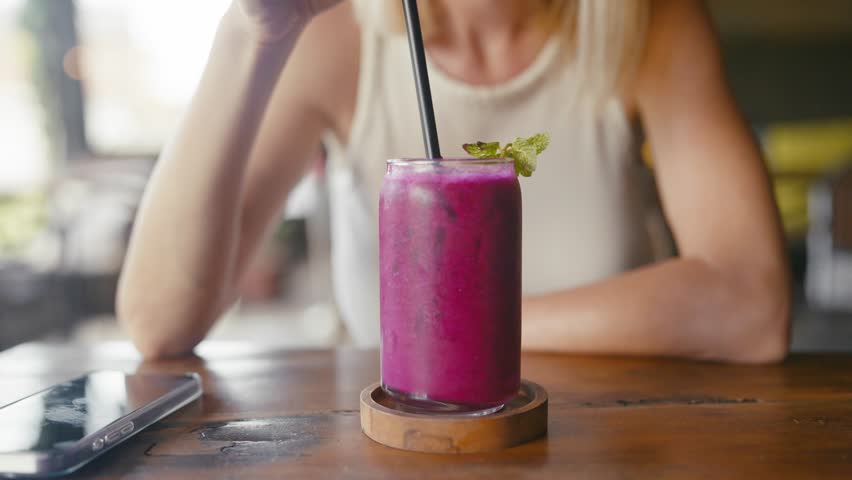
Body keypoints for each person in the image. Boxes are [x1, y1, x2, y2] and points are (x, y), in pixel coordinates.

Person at [117, 0, 790, 363]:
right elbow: (157, 323)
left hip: (608, 444)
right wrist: (249, 31)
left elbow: (751, 308)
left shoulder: (647, 22)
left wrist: (452, 326)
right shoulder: (333, 35)